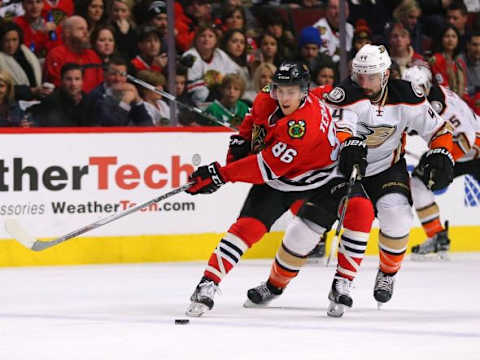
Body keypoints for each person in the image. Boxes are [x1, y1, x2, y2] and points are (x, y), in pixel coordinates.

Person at [248, 45, 455, 311]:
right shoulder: (344, 93)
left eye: (371, 76)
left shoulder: (408, 96)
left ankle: (387, 274)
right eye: (359, 75)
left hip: (385, 168)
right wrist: (349, 144)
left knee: (398, 216)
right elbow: (341, 126)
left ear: (386, 74)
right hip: (341, 169)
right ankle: (274, 284)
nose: (364, 82)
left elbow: (439, 128)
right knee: (303, 231)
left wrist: (441, 151)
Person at [184, 61, 374, 317]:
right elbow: (253, 120)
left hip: (322, 179)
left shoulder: (303, 124)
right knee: (246, 228)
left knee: (361, 210)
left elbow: (266, 167)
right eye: (280, 90)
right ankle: (208, 283)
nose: (284, 97)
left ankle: (343, 281)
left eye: (292, 91)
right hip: (281, 180)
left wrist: (220, 174)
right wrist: (241, 140)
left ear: (304, 91)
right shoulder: (266, 96)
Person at [402, 65, 480, 258]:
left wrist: (445, 159)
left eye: (419, 89)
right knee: (419, 182)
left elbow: (468, 137)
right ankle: (437, 236)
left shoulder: (440, 105)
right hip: (457, 151)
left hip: (474, 147)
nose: (414, 94)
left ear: (428, 86)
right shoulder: (421, 100)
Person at [44, 15, 104, 93]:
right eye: (80, 29)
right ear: (67, 33)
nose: (86, 33)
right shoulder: (56, 55)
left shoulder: (93, 56)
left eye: (87, 29)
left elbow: (101, 84)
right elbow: (57, 85)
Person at [28, 63, 94, 126]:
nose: (73, 84)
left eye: (77, 79)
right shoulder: (50, 102)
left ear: (82, 81)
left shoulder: (90, 102)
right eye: (68, 79)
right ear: (61, 80)